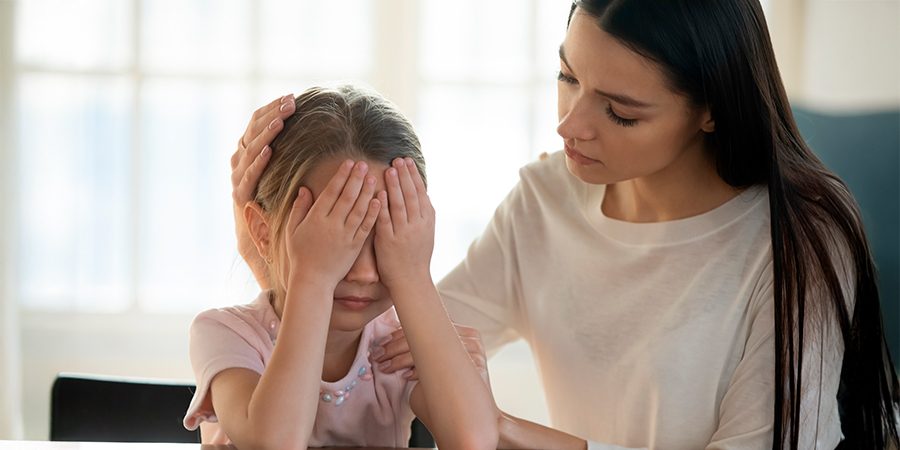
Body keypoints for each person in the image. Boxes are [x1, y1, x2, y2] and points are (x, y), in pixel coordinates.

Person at [230, 1, 900, 449]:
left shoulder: (799, 244)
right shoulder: (548, 199)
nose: (569, 125)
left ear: (712, 110)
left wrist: (507, 430)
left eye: (620, 111)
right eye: (567, 76)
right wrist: (264, 237)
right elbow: (376, 332)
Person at [185, 84, 499, 450]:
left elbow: (473, 441)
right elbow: (276, 444)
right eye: (336, 243)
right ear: (262, 232)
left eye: (385, 241)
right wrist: (313, 278)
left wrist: (413, 278)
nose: (364, 273)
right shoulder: (226, 333)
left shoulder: (397, 345)